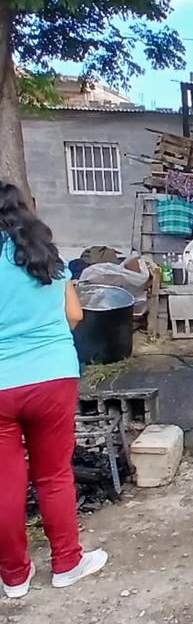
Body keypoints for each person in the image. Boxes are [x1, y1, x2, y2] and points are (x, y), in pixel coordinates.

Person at [0, 181, 109, 599]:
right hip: (53, 375)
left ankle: (14, 576)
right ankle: (66, 563)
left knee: (6, 483)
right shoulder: (44, 255)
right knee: (54, 475)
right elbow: (74, 315)